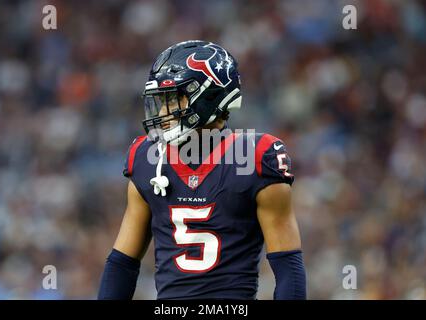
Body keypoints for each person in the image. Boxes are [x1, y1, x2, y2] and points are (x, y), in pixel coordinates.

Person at [98, 40, 306, 300]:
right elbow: (123, 262)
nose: (163, 111)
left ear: (209, 96)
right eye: (162, 101)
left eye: (173, 99)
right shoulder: (147, 159)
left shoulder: (257, 156)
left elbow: (287, 264)